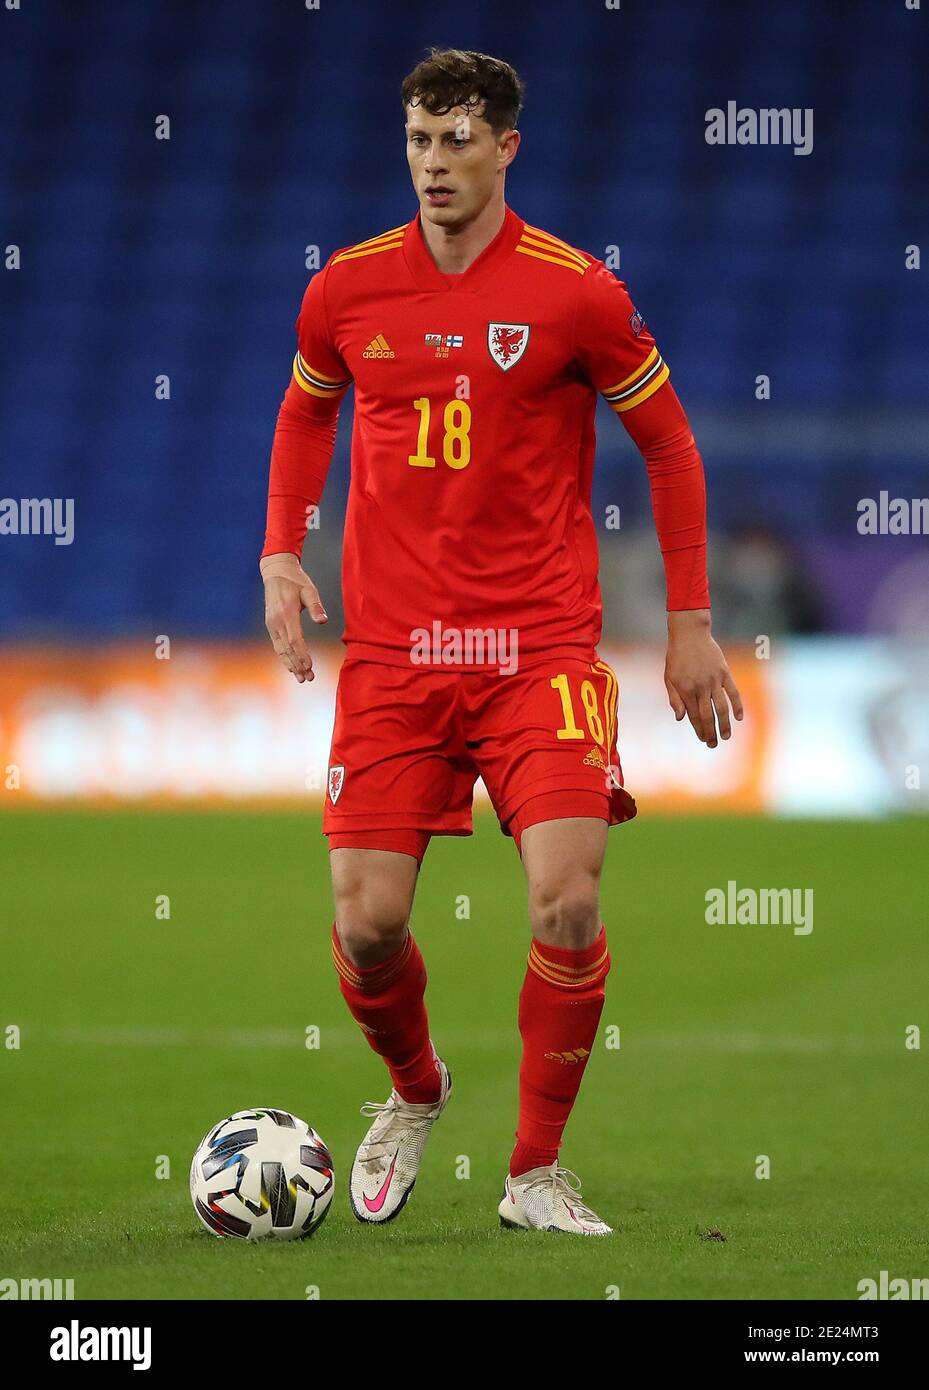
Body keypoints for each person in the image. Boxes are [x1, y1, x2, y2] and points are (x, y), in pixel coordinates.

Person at [260, 47, 742, 1236]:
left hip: (539, 652)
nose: (435, 162)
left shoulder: (576, 291)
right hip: (393, 654)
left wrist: (689, 625)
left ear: (505, 147)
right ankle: (416, 1090)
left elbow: (670, 446)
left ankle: (533, 1171)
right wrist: (280, 550)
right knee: (366, 924)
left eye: (458, 140)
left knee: (564, 903)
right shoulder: (347, 290)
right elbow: (306, 405)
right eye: (420, 140)